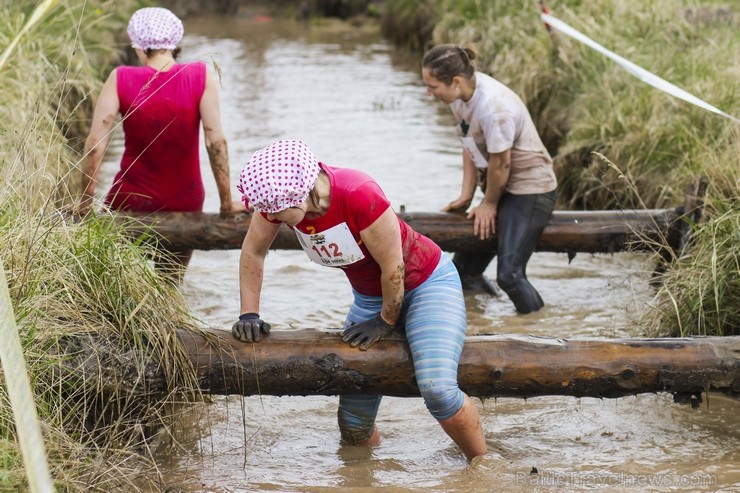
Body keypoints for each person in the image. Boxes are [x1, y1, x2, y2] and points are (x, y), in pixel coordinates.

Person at [232, 139, 488, 462]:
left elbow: (394, 267)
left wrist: (385, 321)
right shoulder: (275, 201)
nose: (270, 216)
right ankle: (364, 477)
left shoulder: (358, 194)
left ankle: (484, 465)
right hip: (370, 297)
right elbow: (253, 253)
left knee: (437, 389)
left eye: (276, 210)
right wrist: (248, 315)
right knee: (352, 423)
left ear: (302, 193)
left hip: (426, 283)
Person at [79, 7, 243, 278]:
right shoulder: (201, 76)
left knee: (114, 279)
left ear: (138, 45)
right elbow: (216, 142)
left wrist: (85, 202)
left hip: (131, 200)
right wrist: (227, 203)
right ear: (175, 44)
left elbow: (96, 143)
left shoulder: (120, 78)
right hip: (185, 200)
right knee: (170, 284)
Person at [421, 44, 557, 314]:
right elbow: (469, 145)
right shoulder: (459, 98)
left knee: (510, 276)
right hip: (501, 187)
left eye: (433, 86)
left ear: (456, 82)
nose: (429, 92)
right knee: (462, 273)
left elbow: (502, 162)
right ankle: (483, 320)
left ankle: (541, 331)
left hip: (531, 189)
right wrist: (466, 196)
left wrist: (490, 204)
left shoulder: (495, 108)